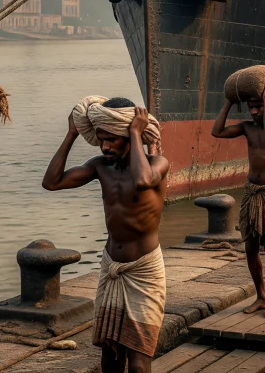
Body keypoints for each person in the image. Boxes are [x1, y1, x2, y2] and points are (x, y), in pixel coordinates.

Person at [44, 98, 170, 373]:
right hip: (111, 267)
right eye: (101, 139)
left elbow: (143, 181)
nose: (105, 146)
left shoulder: (158, 164)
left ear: (128, 134)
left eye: (112, 139)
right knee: (110, 356)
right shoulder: (101, 166)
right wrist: (71, 134)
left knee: (139, 360)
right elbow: (51, 182)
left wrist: (136, 132)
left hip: (144, 271)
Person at [211, 88, 265, 318]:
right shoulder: (246, 127)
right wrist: (228, 103)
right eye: (251, 107)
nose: (254, 111)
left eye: (259, 106)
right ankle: (261, 296)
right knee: (250, 246)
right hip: (251, 190)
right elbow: (217, 131)